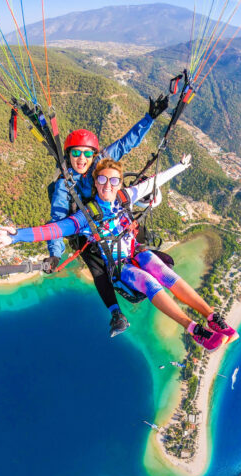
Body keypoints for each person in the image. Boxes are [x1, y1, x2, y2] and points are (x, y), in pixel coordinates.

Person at [0, 155, 239, 352]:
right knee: (149, 281)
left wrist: (180, 167)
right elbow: (53, 229)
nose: (108, 185)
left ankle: (213, 317)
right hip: (119, 267)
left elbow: (153, 182)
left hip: (135, 251)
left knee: (160, 269)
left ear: (119, 182)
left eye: (114, 180)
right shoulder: (85, 217)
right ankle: (194, 329)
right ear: (95, 182)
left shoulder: (123, 197)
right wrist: (16, 235)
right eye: (103, 180)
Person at [45, 94, 169, 337]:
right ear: (68, 155)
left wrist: (150, 118)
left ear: (94, 154)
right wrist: (54, 253)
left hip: (113, 218)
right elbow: (57, 221)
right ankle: (116, 313)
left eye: (87, 154)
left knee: (132, 232)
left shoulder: (101, 163)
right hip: (87, 231)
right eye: (76, 154)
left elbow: (125, 144)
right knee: (97, 265)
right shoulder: (64, 185)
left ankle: (149, 263)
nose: (82, 159)